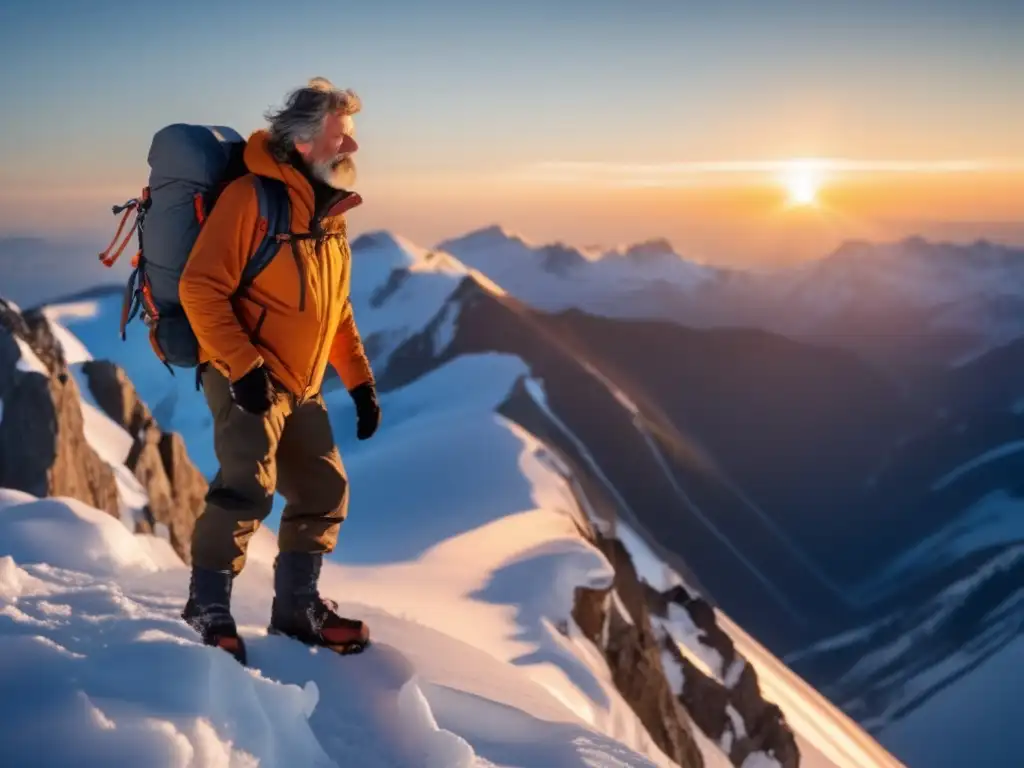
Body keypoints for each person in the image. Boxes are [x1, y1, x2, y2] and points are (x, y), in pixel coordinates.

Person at [177, 77, 381, 663]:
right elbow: (200, 287)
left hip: (303, 382)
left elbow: (333, 308)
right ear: (304, 140)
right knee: (246, 487)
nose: (353, 148)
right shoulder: (251, 198)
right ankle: (207, 606)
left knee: (323, 487)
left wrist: (360, 382)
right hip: (246, 374)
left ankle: (297, 608)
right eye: (342, 135)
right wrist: (242, 367)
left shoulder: (330, 212)